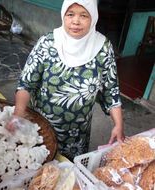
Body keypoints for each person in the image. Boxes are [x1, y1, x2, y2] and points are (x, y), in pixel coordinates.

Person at [7, 0, 125, 160]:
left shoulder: (103, 48)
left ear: (94, 17)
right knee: (42, 170)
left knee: (68, 173)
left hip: (77, 136)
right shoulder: (47, 43)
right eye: (70, 14)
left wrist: (118, 124)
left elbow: (111, 91)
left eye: (84, 15)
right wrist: (18, 113)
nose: (76, 21)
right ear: (63, 14)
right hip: (42, 128)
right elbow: (26, 83)